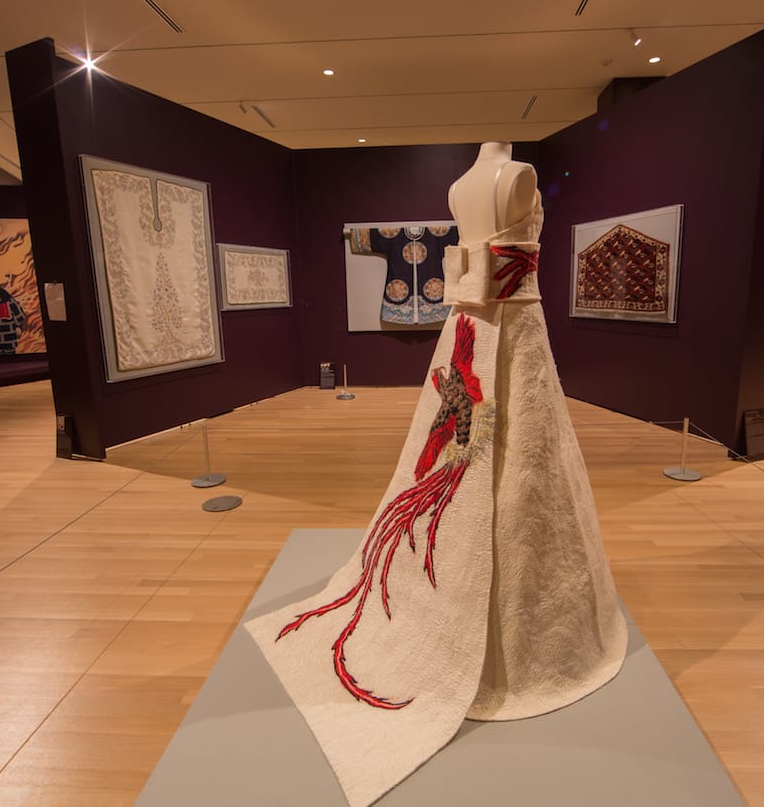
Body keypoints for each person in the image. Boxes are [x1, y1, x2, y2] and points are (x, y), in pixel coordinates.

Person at [247, 143, 627, 807]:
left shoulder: (468, 183)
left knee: (522, 475)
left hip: (480, 328)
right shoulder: (510, 176)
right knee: (486, 460)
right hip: (494, 326)